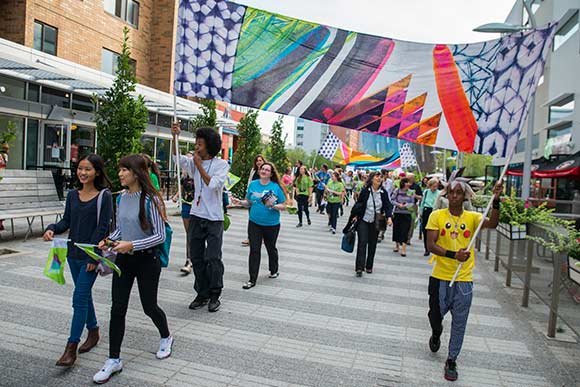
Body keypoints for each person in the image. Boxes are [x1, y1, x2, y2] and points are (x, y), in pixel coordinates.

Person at [93, 154, 171, 384]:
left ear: (136, 173)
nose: (120, 174)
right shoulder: (121, 198)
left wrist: (133, 244)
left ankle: (166, 336)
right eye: (120, 170)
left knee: (149, 306)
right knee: (117, 307)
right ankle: (113, 359)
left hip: (148, 260)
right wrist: (109, 241)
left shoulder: (151, 200)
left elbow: (159, 235)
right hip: (124, 261)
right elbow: (121, 229)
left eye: (124, 170)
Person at [426, 174, 503, 382]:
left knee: (460, 322)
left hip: (463, 280)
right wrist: (453, 255)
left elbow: (493, 223)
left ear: (464, 196)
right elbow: (430, 245)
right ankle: (436, 332)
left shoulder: (473, 217)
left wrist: (496, 200)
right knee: (435, 316)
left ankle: (451, 360)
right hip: (440, 277)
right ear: (446, 194)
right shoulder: (437, 216)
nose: (454, 196)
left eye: (458, 192)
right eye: (451, 192)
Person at [43, 154, 113, 368]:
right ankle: (93, 331)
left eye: (88, 169)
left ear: (97, 172)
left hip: (90, 256)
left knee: (79, 297)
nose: (82, 173)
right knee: (83, 296)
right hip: (72, 254)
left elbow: (103, 228)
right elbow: (66, 221)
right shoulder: (73, 195)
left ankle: (70, 349)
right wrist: (52, 228)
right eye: (80, 168)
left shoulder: (104, 196)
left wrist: (94, 255)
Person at [171, 123, 229, 313]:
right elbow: (177, 159)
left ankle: (215, 294)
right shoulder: (193, 161)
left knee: (213, 257)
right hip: (196, 215)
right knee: (196, 257)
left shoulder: (221, 165)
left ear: (210, 146)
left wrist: (198, 166)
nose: (196, 147)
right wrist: (174, 137)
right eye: (196, 143)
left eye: (200, 144)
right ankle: (201, 293)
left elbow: (212, 184)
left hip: (214, 218)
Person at [233, 162, 287, 289]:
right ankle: (252, 279)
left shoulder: (275, 187)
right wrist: (240, 202)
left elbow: (284, 205)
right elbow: (249, 202)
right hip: (254, 223)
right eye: (262, 169)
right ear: (259, 171)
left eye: (267, 170)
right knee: (254, 250)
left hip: (271, 224)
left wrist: (273, 205)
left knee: (270, 248)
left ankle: (273, 269)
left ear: (271, 173)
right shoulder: (253, 185)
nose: (264, 171)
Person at [345, 171, 393, 276]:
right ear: (371, 179)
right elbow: (359, 204)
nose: (379, 179)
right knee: (362, 242)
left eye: (380, 177)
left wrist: (389, 217)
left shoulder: (383, 193)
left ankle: (369, 265)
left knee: (372, 244)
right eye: (377, 177)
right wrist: (355, 215)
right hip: (364, 219)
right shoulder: (365, 190)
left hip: (376, 221)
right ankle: (359, 267)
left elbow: (388, 205)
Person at [172, 151, 195, 275]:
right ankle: (189, 260)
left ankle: (198, 257)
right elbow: (181, 189)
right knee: (189, 233)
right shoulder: (183, 177)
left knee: (198, 233)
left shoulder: (198, 174)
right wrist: (176, 196)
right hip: (186, 204)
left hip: (198, 206)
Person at [242, 155, 266, 246]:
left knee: (261, 217)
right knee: (252, 217)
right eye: (257, 161)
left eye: (260, 160)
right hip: (252, 197)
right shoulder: (253, 170)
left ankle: (263, 236)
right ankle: (250, 238)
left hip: (261, 198)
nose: (258, 162)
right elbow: (249, 182)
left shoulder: (266, 171)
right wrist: (247, 195)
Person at [391, 177, 417, 257]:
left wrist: (406, 206)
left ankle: (404, 248)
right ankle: (397, 245)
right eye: (407, 182)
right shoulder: (397, 190)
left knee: (405, 229)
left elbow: (413, 202)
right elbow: (392, 200)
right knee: (397, 229)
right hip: (398, 212)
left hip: (407, 213)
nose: (409, 184)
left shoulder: (411, 192)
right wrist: (399, 205)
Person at [420, 178, 441, 256]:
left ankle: (436, 247)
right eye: (433, 186)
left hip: (435, 211)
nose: (434, 188)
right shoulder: (426, 192)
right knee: (425, 230)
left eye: (436, 186)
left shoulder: (439, 193)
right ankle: (427, 248)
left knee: (435, 230)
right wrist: (421, 212)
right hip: (426, 210)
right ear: (430, 185)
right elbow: (422, 202)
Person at [406, 173, 423, 244]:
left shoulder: (416, 186)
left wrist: (415, 195)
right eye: (408, 178)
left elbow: (421, 197)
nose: (409, 179)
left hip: (413, 206)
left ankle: (409, 238)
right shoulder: (404, 184)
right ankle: (403, 237)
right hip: (404, 205)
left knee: (412, 222)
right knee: (404, 222)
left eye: (411, 178)